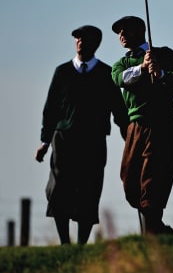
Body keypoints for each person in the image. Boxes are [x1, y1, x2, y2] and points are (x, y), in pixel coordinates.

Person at [35, 25, 129, 245]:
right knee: (59, 188)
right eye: (77, 38)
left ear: (95, 43)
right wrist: (44, 141)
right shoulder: (62, 72)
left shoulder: (106, 74)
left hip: (93, 141)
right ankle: (64, 243)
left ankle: (81, 245)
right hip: (64, 139)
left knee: (89, 188)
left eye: (84, 38)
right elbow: (50, 109)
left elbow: (119, 109)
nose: (80, 42)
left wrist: (127, 133)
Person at [110, 16, 173, 235]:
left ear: (139, 31)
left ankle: (152, 228)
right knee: (129, 178)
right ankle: (156, 225)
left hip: (161, 121)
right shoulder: (122, 63)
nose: (121, 36)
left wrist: (160, 73)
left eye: (125, 31)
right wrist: (143, 68)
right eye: (119, 33)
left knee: (154, 175)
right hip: (135, 125)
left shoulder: (164, 54)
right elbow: (120, 79)